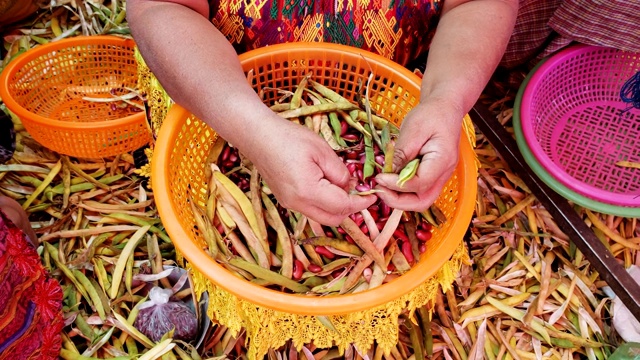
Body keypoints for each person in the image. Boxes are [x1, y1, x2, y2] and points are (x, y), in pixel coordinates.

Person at [127, 0, 519, 226]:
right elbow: (162, 8)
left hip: (384, 99)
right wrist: (253, 129)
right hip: (220, 93)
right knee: (223, 217)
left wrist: (444, 99)